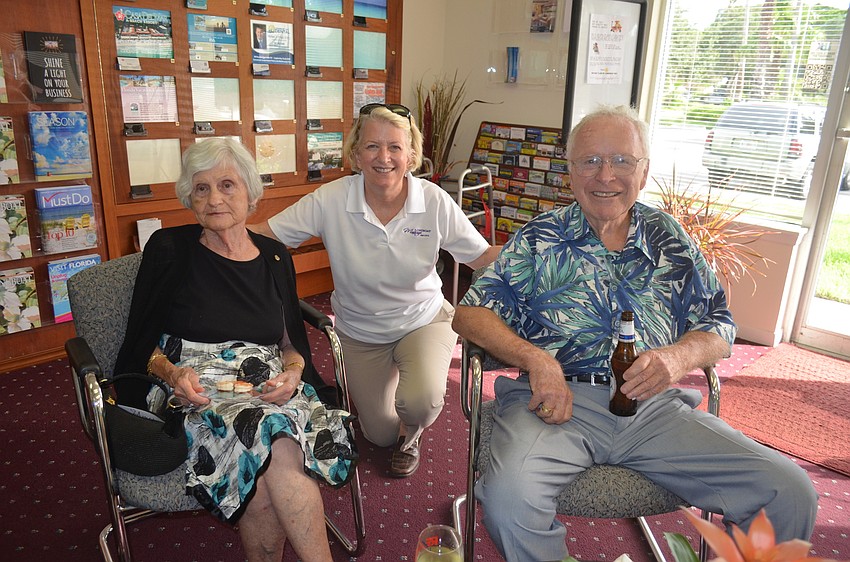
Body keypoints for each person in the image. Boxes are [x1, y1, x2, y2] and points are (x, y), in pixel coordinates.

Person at [452, 105, 818, 562]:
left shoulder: (668, 238)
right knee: (509, 499)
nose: (606, 175)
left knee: (789, 490)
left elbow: (719, 325)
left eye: (623, 161)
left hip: (652, 409)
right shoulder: (539, 239)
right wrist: (537, 360)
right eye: (590, 161)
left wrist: (678, 358)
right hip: (556, 402)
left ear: (643, 172)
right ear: (570, 172)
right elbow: (470, 315)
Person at [112, 138, 357, 562]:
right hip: (192, 391)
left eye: (227, 185)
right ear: (189, 198)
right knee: (277, 442)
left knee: (262, 467)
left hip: (265, 387)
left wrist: (294, 374)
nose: (215, 199)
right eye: (202, 189)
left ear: (250, 193)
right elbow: (141, 342)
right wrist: (172, 375)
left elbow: (290, 345)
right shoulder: (169, 250)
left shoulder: (275, 258)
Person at [250, 103, 500, 478]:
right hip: (360, 331)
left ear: (411, 155)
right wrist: (214, 234)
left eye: (395, 147)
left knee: (420, 403)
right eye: (372, 147)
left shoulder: (432, 201)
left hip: (423, 320)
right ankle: (390, 391)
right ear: (355, 154)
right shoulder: (331, 199)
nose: (384, 158)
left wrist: (539, 248)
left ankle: (411, 429)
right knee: (380, 436)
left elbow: (480, 257)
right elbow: (264, 237)